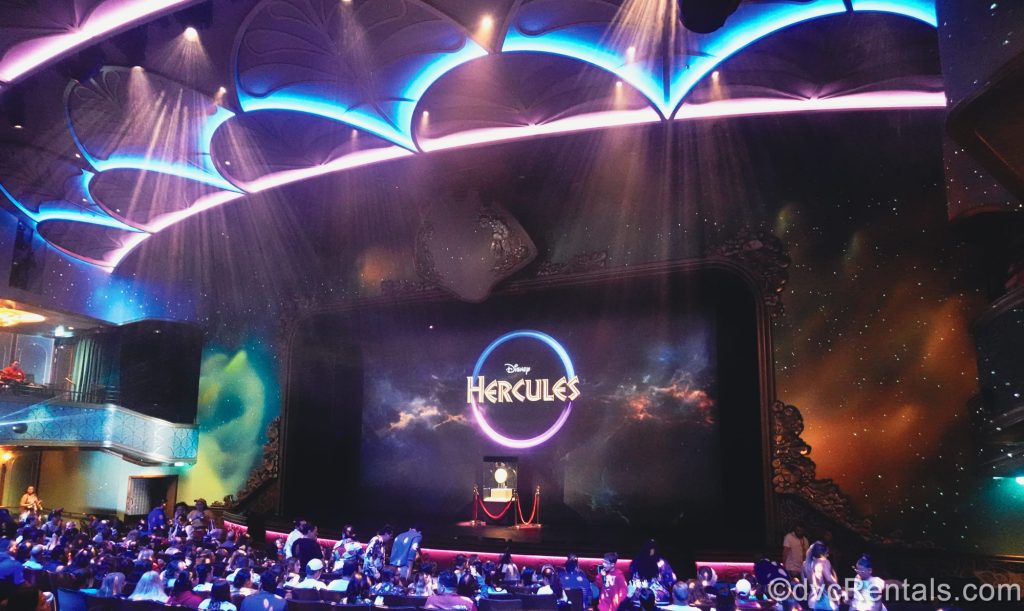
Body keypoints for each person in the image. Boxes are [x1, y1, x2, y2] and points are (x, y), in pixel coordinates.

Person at [801, 541, 838, 611]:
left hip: (812, 601)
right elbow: (831, 581)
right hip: (825, 601)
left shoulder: (804, 565)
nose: (828, 555)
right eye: (827, 553)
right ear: (822, 553)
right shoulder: (824, 562)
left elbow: (804, 585)